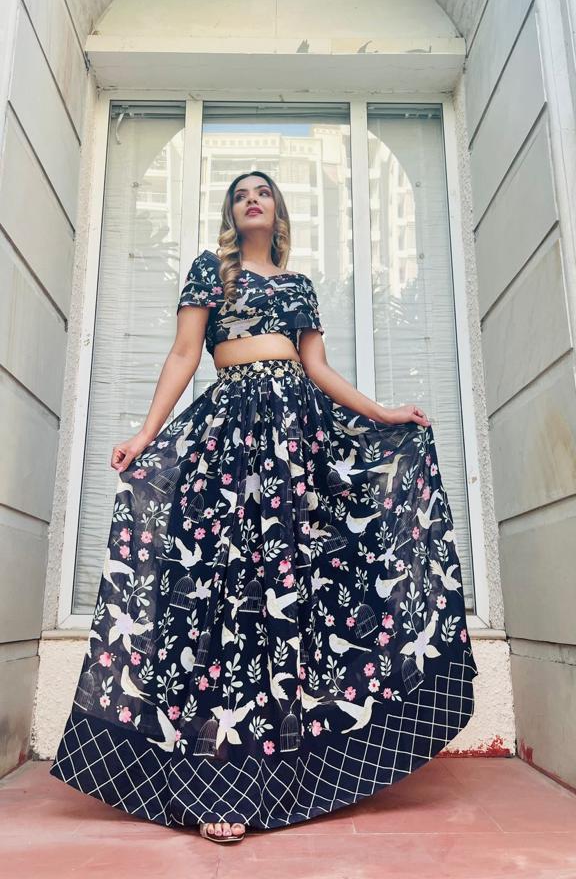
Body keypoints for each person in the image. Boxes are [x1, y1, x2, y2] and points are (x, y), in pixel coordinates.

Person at [50, 170, 479, 844]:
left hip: (296, 442)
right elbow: (184, 355)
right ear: (232, 212)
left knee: (295, 594)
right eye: (241, 193)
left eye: (265, 192)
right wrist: (145, 435)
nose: (253, 199)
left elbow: (319, 369)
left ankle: (299, 772)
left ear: (278, 210)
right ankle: (219, 780)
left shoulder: (299, 286)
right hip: (229, 440)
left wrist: (382, 413)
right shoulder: (210, 271)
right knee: (228, 598)